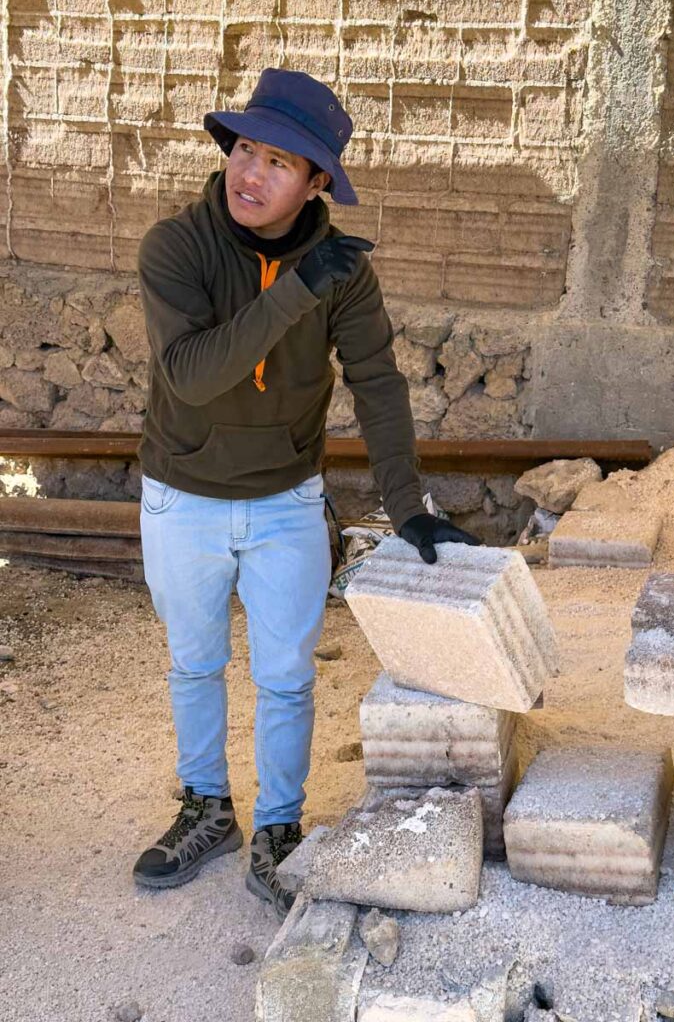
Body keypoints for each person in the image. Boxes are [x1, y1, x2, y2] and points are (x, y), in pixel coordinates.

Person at [132, 67, 480, 918]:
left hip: (287, 499)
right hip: (183, 495)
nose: (251, 174)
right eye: (244, 149)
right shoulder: (176, 246)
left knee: (286, 676)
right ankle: (206, 807)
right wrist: (296, 289)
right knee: (194, 662)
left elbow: (379, 384)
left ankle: (279, 826)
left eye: (280, 162)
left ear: (317, 182)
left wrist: (406, 508)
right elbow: (191, 378)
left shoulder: (342, 273)